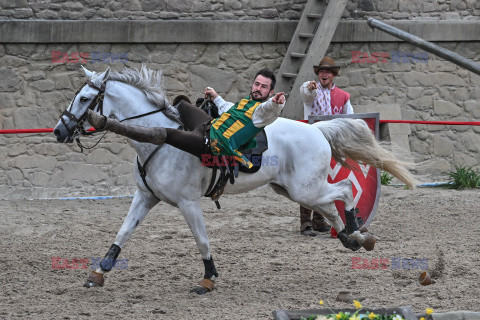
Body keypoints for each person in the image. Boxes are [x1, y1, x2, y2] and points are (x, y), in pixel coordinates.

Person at [87, 68, 285, 170]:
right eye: (257, 84)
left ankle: (110, 124)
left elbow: (269, 110)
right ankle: (181, 141)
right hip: (208, 127)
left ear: (271, 91)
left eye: (264, 87)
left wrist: (276, 103)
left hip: (213, 144)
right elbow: (228, 110)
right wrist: (216, 98)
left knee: (165, 134)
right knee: (181, 104)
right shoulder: (245, 103)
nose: (258, 89)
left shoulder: (262, 111)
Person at [298, 56, 354, 237]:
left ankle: (318, 219)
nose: (324, 74)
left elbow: (349, 119)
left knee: (326, 181)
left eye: (327, 72)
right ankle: (305, 222)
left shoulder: (343, 96)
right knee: (308, 179)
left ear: (333, 75)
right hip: (310, 140)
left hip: (331, 143)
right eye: (322, 71)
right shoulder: (311, 90)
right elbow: (306, 93)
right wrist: (310, 87)